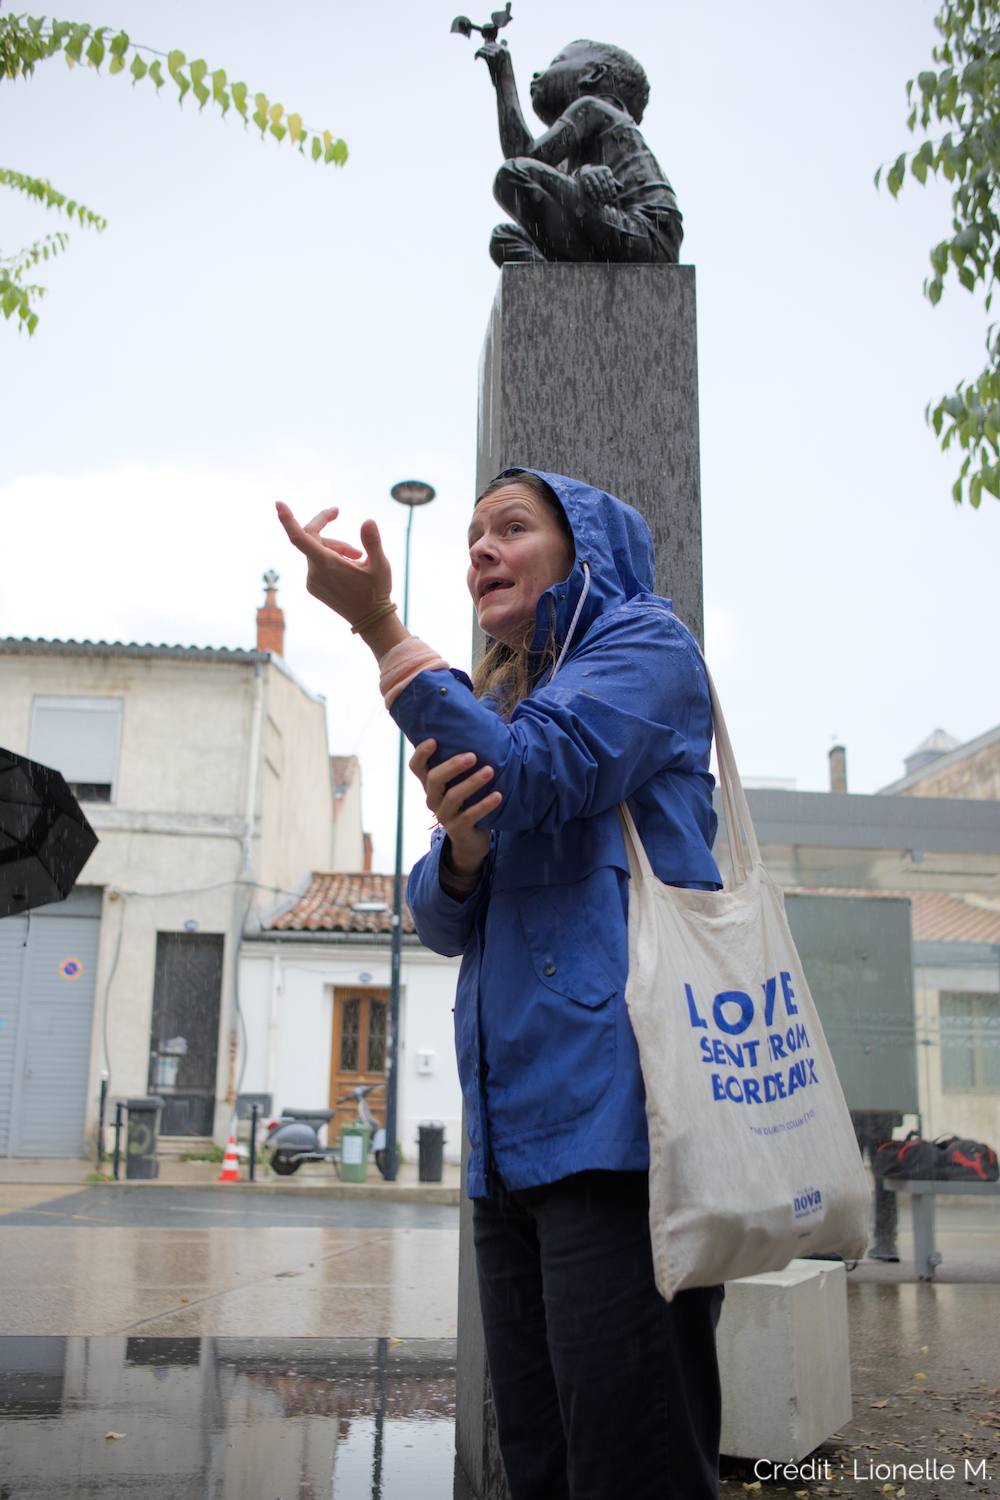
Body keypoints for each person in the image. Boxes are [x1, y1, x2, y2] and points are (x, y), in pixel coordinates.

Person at [277, 469, 723, 1500]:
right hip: (511, 1146)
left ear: (583, 554)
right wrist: (466, 854)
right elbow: (436, 916)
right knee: (542, 1463)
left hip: (620, 1133)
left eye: (511, 528)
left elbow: (531, 773)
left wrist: (381, 628)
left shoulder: (648, 649)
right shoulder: (498, 701)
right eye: (471, 534)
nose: (479, 547)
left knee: (632, 1459)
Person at [473, 38, 683, 266]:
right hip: (614, 231)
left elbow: (522, 157)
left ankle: (567, 275)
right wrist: (581, 177)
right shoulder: (574, 152)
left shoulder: (593, 108)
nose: (537, 74)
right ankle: (564, 280)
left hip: (645, 234)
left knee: (514, 174)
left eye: (557, 62)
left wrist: (503, 77)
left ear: (594, 75)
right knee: (504, 238)